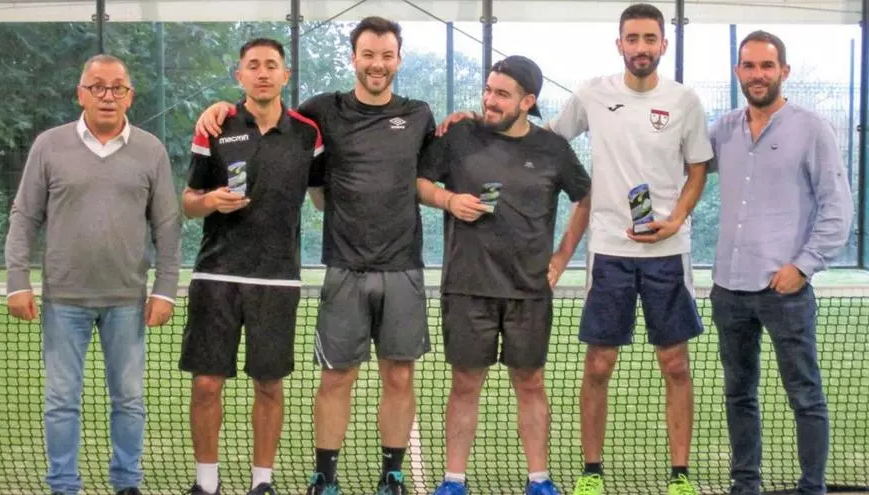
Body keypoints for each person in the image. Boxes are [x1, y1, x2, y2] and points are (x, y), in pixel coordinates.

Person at [438, 4, 712, 494]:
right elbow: (538, 136)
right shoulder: (591, 94)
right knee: (598, 364)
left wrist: (676, 220)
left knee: (675, 364)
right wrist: (479, 117)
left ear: (663, 44)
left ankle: (680, 476)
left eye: (650, 38)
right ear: (619, 43)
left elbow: (697, 171)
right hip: (608, 252)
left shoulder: (685, 101)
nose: (641, 47)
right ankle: (590, 473)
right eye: (633, 38)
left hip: (668, 253)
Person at [194, 17, 436, 495]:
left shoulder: (420, 114)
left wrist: (465, 119)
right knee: (335, 377)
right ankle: (325, 477)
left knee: (399, 375)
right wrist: (220, 108)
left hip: (403, 265)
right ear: (354, 58)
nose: (377, 64)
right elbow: (265, 112)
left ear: (398, 60)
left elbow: (434, 167)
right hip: (342, 266)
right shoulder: (321, 111)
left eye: (387, 55)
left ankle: (392, 475)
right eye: (368, 54)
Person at [4, 54, 181, 495]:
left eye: (117, 87)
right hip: (63, 301)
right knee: (61, 402)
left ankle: (127, 482)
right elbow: (24, 217)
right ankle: (64, 485)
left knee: (130, 400)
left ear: (130, 95)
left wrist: (165, 290)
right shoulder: (48, 145)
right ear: (79, 94)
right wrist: (17, 282)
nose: (107, 95)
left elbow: (166, 225)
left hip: (128, 300)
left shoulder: (151, 150)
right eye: (97, 86)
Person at [418, 55, 591, 495]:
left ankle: (539, 480)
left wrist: (563, 255)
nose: (490, 101)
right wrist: (448, 200)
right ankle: (454, 481)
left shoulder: (553, 149)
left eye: (502, 94)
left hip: (529, 290)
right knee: (464, 384)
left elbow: (586, 197)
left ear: (527, 101)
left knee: (531, 383)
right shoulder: (459, 134)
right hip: (466, 285)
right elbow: (419, 182)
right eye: (488, 90)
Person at [708, 31, 853, 495]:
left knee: (805, 396)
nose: (758, 75)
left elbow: (838, 209)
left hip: (785, 291)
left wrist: (803, 266)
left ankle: (812, 488)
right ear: (738, 72)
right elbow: (677, 163)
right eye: (749, 66)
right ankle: (745, 486)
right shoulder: (722, 130)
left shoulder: (812, 129)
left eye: (767, 66)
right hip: (729, 291)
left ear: (783, 71)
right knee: (738, 395)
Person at [179, 38, 324, 495]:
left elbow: (324, 196)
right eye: (253, 65)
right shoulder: (215, 124)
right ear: (239, 75)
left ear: (285, 75)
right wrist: (211, 201)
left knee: (269, 385)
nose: (263, 73)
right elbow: (187, 203)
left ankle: (263, 483)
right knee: (206, 384)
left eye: (271, 65)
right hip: (216, 275)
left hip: (277, 279)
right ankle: (206, 484)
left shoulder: (308, 134)